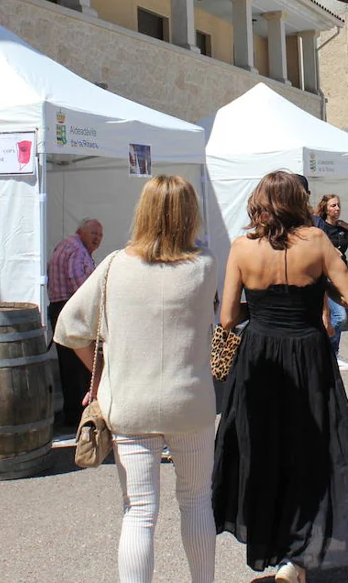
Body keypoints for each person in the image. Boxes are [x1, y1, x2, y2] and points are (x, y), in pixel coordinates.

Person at [54, 177, 218, 583]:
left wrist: (102, 373)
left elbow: (69, 326)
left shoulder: (112, 266)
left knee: (139, 512)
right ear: (189, 213)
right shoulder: (205, 266)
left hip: (129, 401)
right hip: (190, 400)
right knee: (196, 502)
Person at [213, 171, 348, 582]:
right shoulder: (316, 242)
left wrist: (260, 310)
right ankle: (297, 555)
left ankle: (277, 546)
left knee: (264, 450)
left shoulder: (242, 248)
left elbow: (228, 317)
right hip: (307, 351)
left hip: (261, 354)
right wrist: (318, 289)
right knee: (310, 448)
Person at [48, 218, 104, 426]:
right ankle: (78, 415)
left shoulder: (66, 246)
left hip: (60, 307)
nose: (97, 239)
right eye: (94, 233)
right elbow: (79, 283)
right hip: (71, 308)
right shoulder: (78, 250)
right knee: (78, 365)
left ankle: (73, 413)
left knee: (69, 366)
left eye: (100, 235)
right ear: (81, 231)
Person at [314, 193, 348, 372]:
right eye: (333, 206)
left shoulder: (342, 228)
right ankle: (331, 354)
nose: (337, 209)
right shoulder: (319, 227)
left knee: (336, 316)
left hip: (341, 276)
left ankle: (329, 354)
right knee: (339, 316)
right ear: (325, 208)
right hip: (327, 276)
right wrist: (331, 251)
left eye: (338, 205)